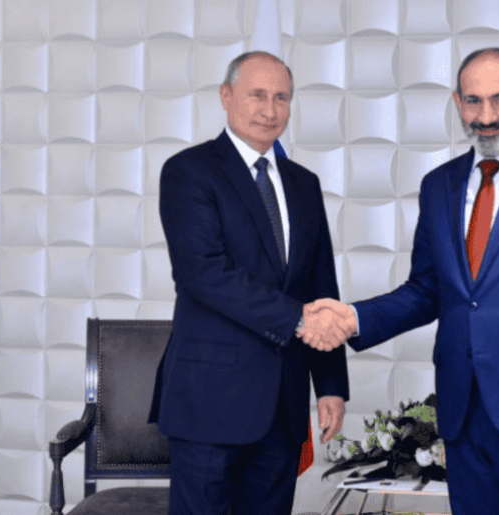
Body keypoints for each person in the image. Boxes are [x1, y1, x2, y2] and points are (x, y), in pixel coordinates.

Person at [302, 47, 499, 515]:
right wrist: (353, 318)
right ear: (458, 103)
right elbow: (426, 291)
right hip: (462, 412)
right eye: (473, 101)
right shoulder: (439, 185)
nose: (486, 116)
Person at [148, 51, 350, 515]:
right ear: (226, 96)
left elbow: (321, 285)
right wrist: (299, 320)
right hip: (208, 403)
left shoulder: (304, 184)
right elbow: (204, 273)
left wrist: (331, 384)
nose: (269, 109)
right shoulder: (188, 171)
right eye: (257, 95)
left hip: (283, 404)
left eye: (281, 97)